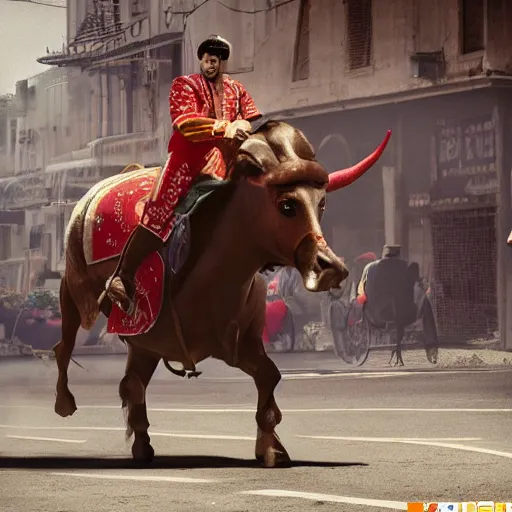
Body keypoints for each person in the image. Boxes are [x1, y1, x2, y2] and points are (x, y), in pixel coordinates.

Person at [103, 35, 262, 314]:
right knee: (159, 211)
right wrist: (223, 127)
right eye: (205, 60)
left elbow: (250, 120)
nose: (209, 65)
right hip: (187, 162)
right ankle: (122, 277)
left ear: (221, 62)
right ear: (200, 60)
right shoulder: (184, 85)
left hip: (226, 161)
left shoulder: (237, 89)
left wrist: (242, 125)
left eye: (214, 60)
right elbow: (185, 124)